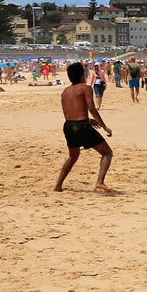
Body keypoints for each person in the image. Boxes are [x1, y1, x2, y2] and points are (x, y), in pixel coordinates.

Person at [55, 62, 113, 193]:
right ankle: (100, 181)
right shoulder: (86, 88)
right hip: (82, 126)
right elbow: (91, 107)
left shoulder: (65, 92)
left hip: (69, 126)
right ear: (82, 75)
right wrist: (104, 126)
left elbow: (68, 112)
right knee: (107, 153)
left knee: (73, 156)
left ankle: (58, 185)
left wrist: (87, 120)